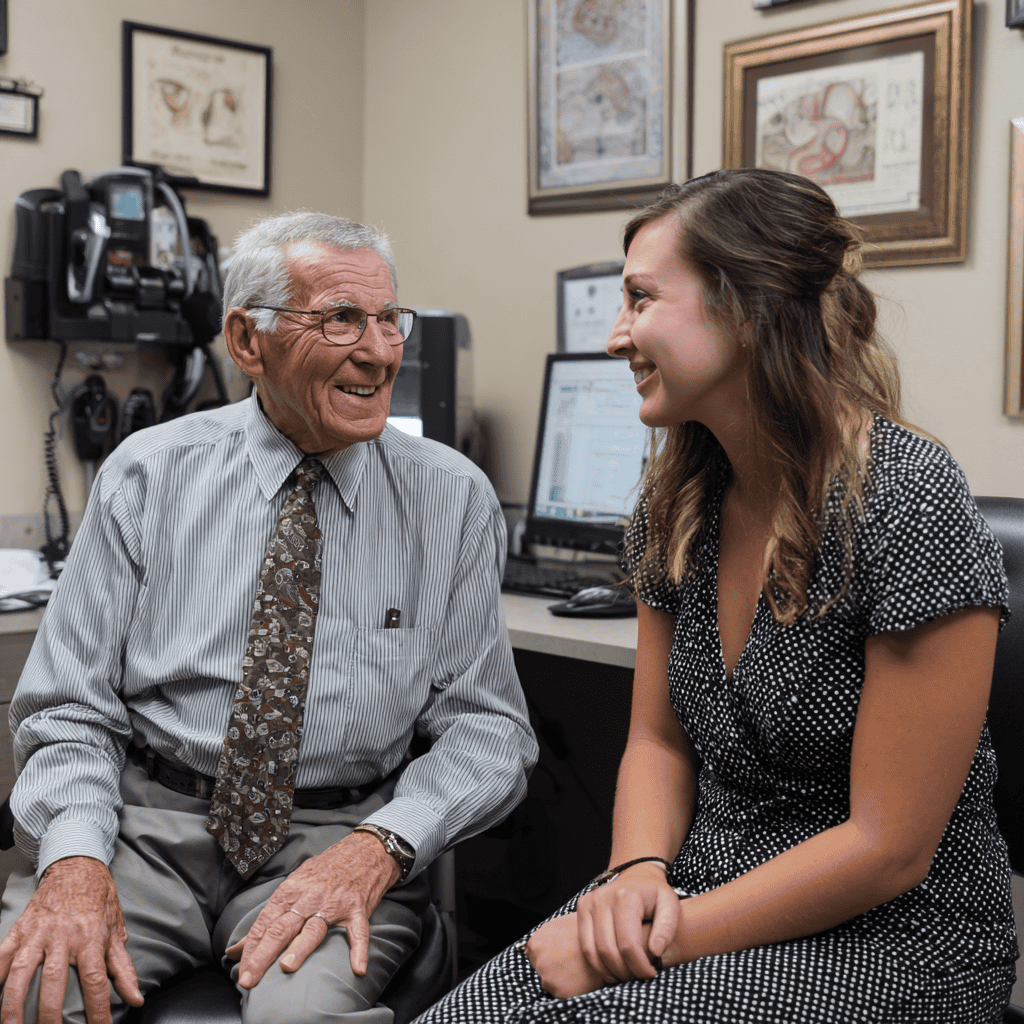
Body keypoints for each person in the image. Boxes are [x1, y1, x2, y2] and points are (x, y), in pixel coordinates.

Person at [411, 168, 1016, 1023]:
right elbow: (657, 742)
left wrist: (653, 942)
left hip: (896, 937)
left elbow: (889, 851)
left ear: (746, 307)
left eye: (641, 299)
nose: (617, 336)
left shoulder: (907, 499)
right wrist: (633, 877)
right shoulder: (677, 504)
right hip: (697, 892)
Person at [0, 212, 538, 1024]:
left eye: (390, 319)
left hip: (337, 834)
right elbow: (69, 706)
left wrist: (381, 846)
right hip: (144, 827)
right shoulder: (147, 476)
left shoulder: (452, 498)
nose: (382, 350)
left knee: (300, 1017)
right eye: (341, 320)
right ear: (248, 342)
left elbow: (489, 731)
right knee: (34, 993)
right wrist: (75, 858)